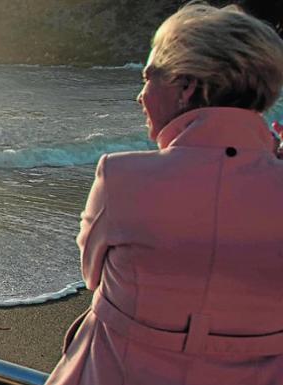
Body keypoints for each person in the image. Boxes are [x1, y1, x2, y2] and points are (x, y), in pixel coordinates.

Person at [46, 2, 283, 385]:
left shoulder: (121, 176)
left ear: (187, 86)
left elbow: (92, 275)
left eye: (149, 79)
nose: (140, 96)